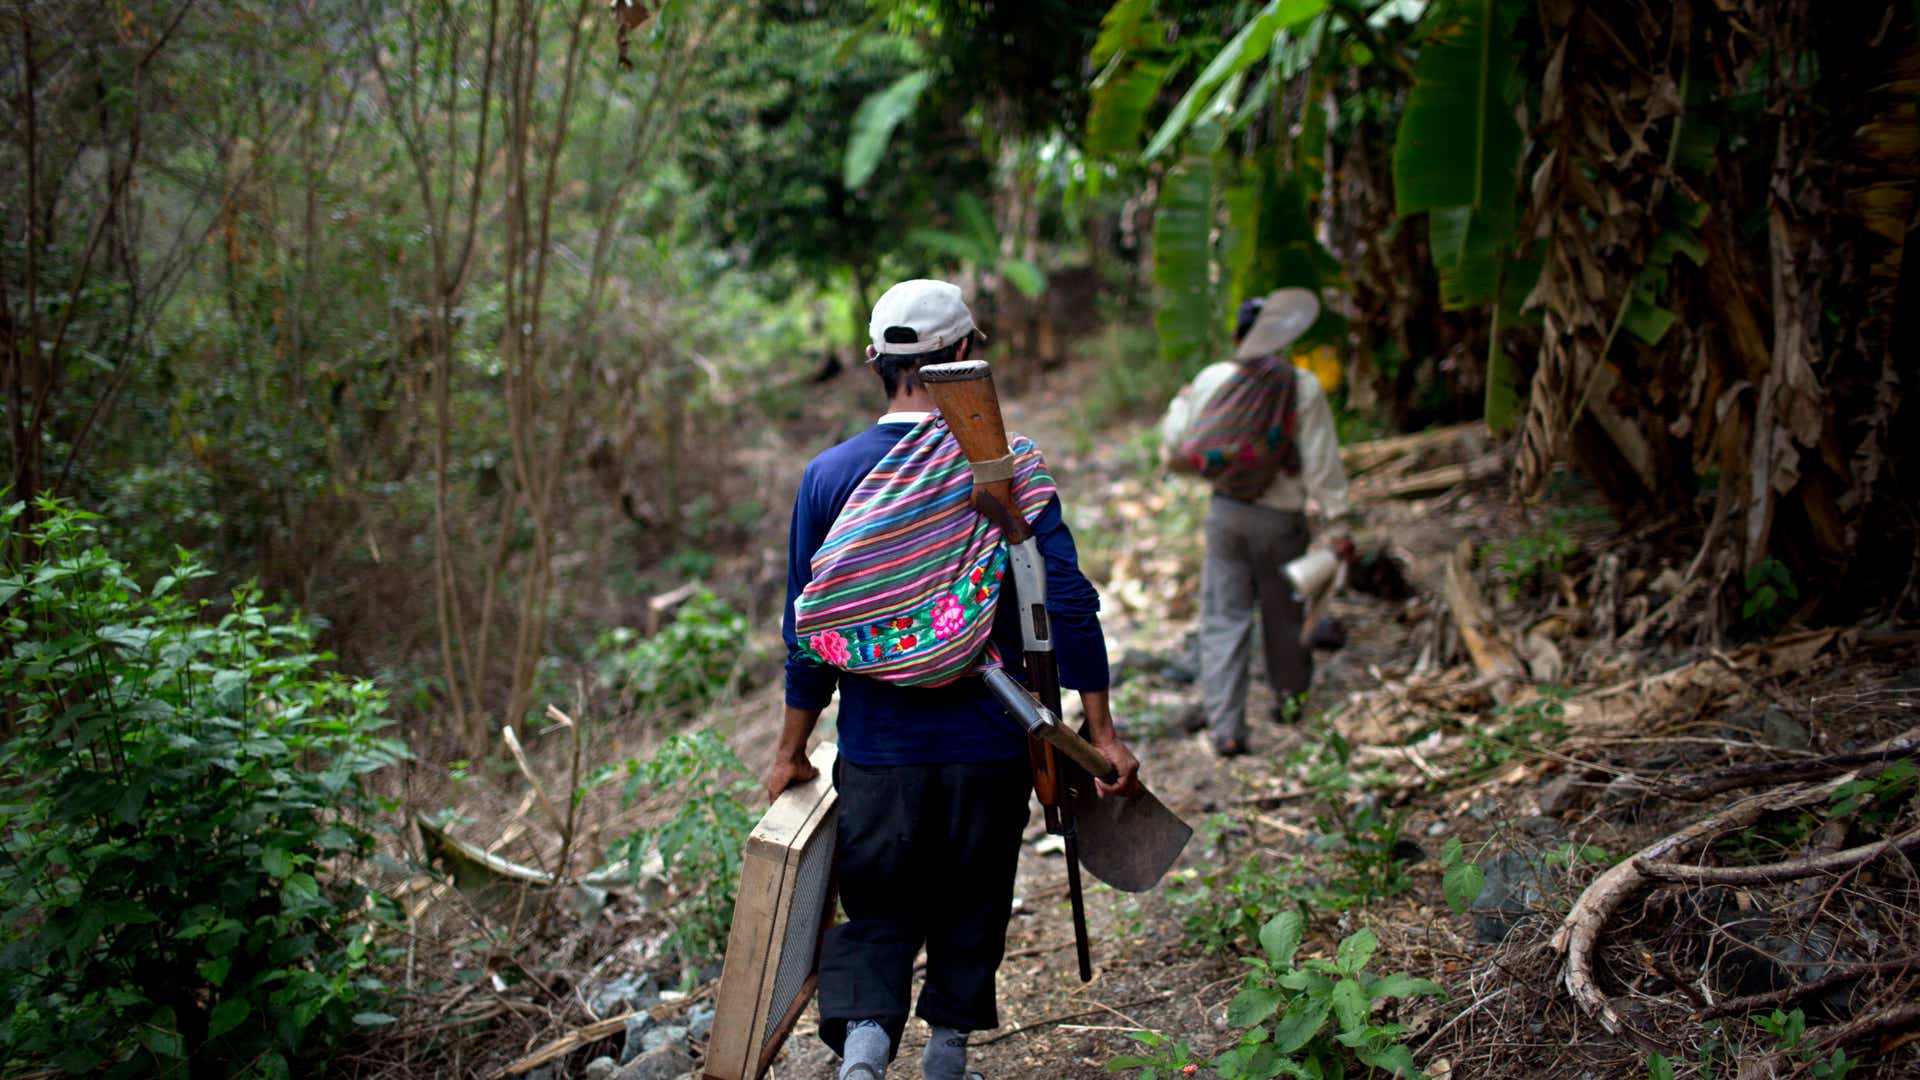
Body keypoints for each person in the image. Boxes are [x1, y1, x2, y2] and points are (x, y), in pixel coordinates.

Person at [766, 279, 1143, 1080]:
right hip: (993, 742)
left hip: (876, 748)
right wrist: (1100, 731)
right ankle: (947, 1056)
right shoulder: (1006, 471)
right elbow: (1069, 602)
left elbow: (807, 632)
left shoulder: (827, 478)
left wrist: (791, 749)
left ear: (875, 361)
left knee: (877, 906)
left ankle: (864, 1057)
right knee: (972, 899)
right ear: (968, 356)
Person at [1158, 288, 1354, 757]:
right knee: (1284, 616)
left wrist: (1180, 404)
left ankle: (1226, 728)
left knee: (1224, 619)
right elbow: (1322, 460)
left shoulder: (1211, 379)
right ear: (1281, 337)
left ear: (1237, 337)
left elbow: (1176, 443)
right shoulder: (1299, 386)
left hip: (1225, 515)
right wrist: (1338, 523)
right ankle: (1290, 704)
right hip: (1281, 519)